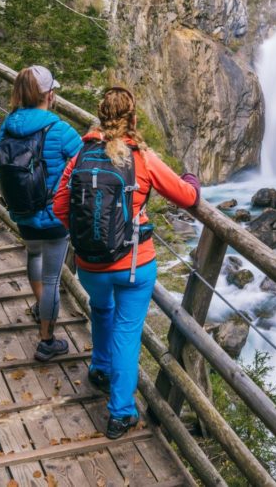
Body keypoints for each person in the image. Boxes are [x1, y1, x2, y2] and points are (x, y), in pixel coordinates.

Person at [53, 87, 200, 439]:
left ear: (101, 117)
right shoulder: (142, 158)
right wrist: (192, 177)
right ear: (133, 119)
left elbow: (59, 206)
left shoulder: (83, 153)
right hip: (134, 265)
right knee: (127, 332)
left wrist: (88, 234)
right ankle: (120, 412)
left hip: (90, 264)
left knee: (102, 310)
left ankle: (100, 367)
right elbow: (187, 196)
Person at [0, 65, 82, 361]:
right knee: (52, 280)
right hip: (55, 216)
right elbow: (84, 162)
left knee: (34, 256)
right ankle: (47, 340)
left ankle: (40, 307)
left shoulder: (7, 125)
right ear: (49, 94)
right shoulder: (58, 129)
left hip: (22, 211)